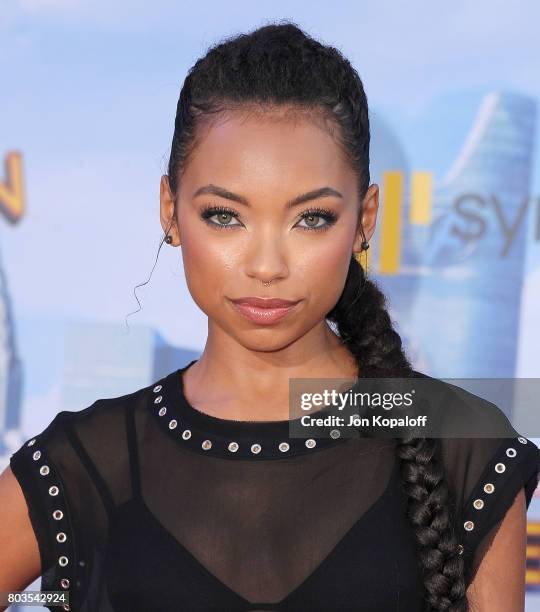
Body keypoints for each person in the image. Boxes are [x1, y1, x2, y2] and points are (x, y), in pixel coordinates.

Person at [0, 21, 539, 612]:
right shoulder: (88, 461)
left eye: (311, 219)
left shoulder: (462, 443)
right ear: (170, 210)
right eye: (225, 215)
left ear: (364, 219)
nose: (266, 265)